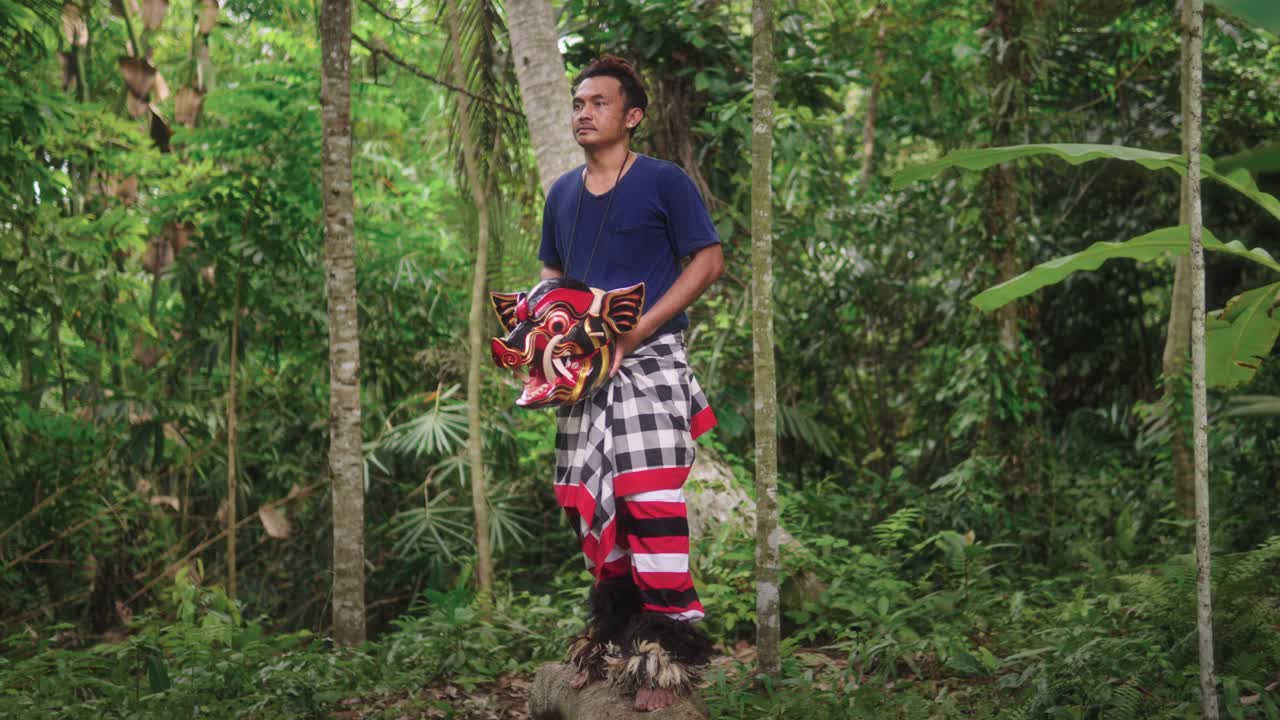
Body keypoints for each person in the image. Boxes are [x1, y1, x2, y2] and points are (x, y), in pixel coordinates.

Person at [537, 55, 724, 712]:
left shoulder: (664, 183)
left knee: (651, 505)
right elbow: (556, 281)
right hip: (582, 373)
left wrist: (637, 330)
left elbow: (709, 259)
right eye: (578, 102)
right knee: (594, 511)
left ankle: (668, 659)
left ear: (632, 115)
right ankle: (615, 640)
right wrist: (541, 335)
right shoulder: (560, 193)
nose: (583, 112)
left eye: (598, 103)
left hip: (649, 363)